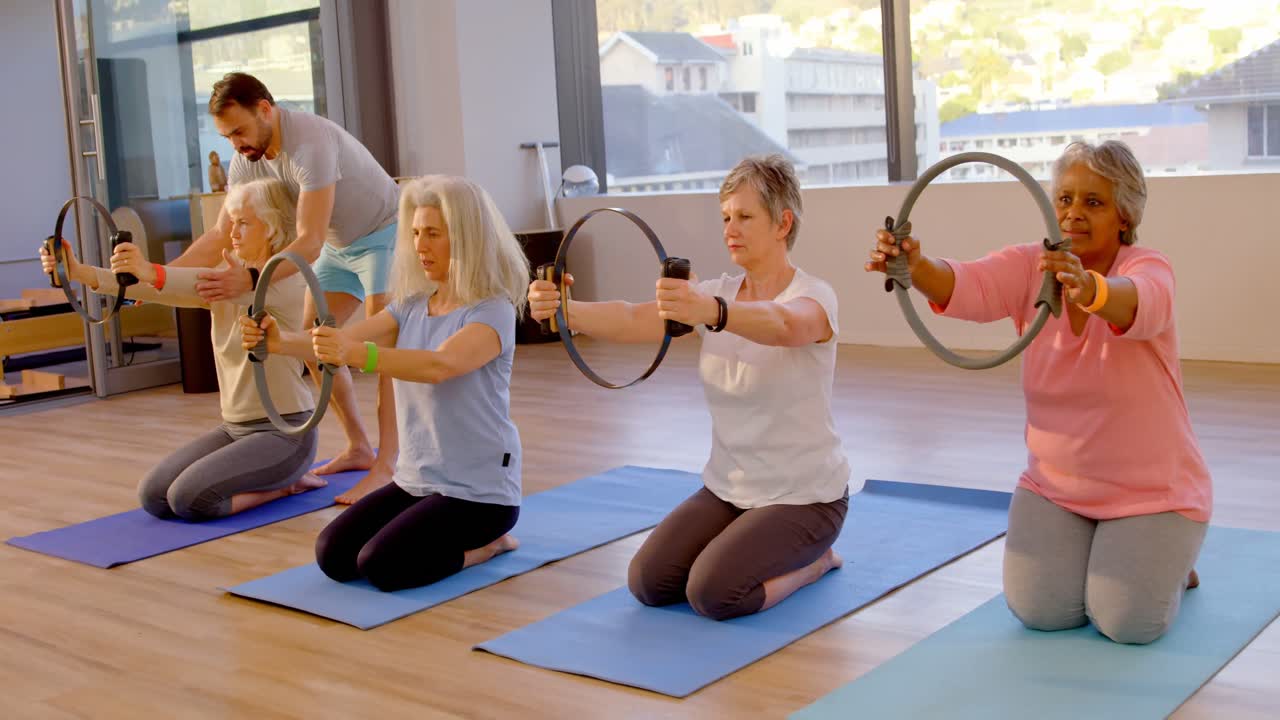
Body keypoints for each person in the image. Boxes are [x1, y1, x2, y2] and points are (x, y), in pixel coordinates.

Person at [865, 140, 1211, 644]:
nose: (1074, 213)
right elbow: (967, 284)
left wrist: (1088, 288)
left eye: (1093, 202)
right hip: (1057, 488)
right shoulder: (1032, 265)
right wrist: (914, 266)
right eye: (1066, 199)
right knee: (1041, 611)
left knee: (1127, 622)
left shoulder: (1147, 266)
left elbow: (1142, 302)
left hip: (1151, 494)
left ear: (1124, 215)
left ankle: (1174, 563)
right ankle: (1120, 554)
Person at [528, 154, 851, 621]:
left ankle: (814, 565)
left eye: (744, 217)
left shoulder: (815, 297)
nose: (730, 229)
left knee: (713, 593)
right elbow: (632, 315)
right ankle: (748, 537)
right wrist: (565, 310)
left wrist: (711, 311)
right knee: (648, 581)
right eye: (725, 217)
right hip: (729, 490)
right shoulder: (716, 292)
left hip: (805, 499)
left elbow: (783, 325)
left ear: (783, 224)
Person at [241, 175, 529, 591]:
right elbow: (345, 340)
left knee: (383, 565)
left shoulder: (492, 310)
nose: (420, 245)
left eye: (433, 234)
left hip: (478, 494)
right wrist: (281, 342)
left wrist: (360, 356)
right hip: (416, 479)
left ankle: (489, 546)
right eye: (414, 233)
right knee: (334, 555)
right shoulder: (411, 305)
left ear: (465, 238)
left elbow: (439, 365)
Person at [41, 179, 325, 520]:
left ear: (274, 227)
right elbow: (168, 290)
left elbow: (188, 281)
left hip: (286, 433)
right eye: (232, 221)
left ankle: (286, 485)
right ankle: (278, 480)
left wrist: (149, 270)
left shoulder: (283, 279)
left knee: (190, 500)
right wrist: (80, 272)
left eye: (244, 223)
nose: (232, 232)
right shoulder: (227, 276)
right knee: (154, 496)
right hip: (234, 428)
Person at [176, 72, 400, 505]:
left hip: (382, 235)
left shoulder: (309, 142)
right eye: (226, 136)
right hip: (339, 245)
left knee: (381, 352)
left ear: (265, 109)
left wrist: (253, 278)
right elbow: (220, 235)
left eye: (239, 131)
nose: (235, 144)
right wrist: (156, 276)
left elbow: (308, 240)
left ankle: (387, 463)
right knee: (314, 343)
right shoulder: (247, 159)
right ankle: (358, 446)